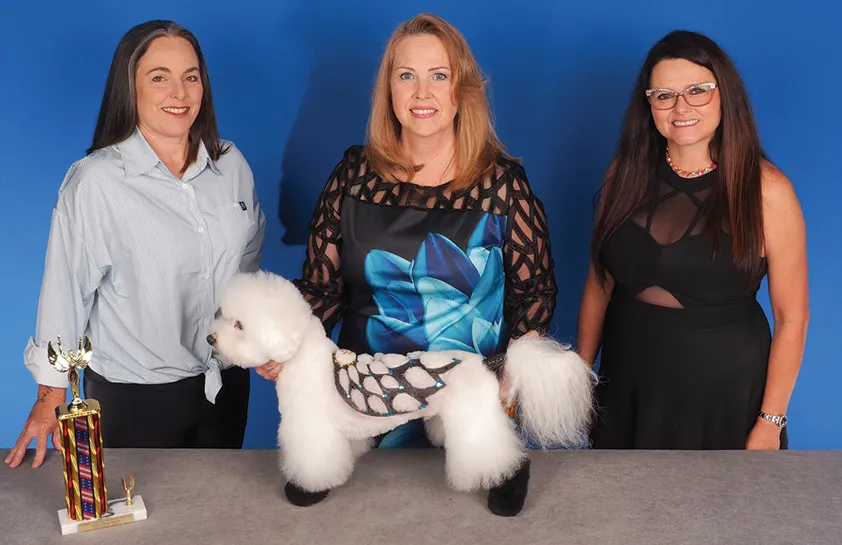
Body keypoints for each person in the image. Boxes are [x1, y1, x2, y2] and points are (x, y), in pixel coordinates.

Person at [259, 13, 557, 451]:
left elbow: (534, 293)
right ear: (389, 90)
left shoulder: (503, 185)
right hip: (363, 403)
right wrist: (282, 344)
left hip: (470, 408)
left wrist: (513, 372)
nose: (422, 93)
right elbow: (323, 292)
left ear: (463, 90)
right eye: (407, 76)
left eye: (439, 76)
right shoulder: (352, 176)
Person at [5, 20, 266, 469]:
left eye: (191, 77)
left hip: (226, 385)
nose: (179, 93)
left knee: (219, 523)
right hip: (136, 399)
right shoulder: (95, 182)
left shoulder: (233, 165)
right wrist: (50, 396)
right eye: (159, 77)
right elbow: (66, 292)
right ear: (130, 87)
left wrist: (253, 336)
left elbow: (248, 258)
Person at [577, 30, 808, 450]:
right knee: (620, 513)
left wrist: (770, 423)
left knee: (721, 514)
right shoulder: (623, 176)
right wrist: (579, 376)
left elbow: (792, 318)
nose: (680, 107)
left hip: (726, 398)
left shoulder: (767, 190)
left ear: (725, 94)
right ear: (649, 105)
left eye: (697, 91)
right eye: (664, 95)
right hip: (626, 388)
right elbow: (600, 282)